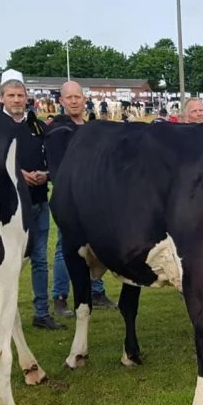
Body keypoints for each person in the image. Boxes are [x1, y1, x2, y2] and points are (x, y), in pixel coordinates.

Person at [45, 80, 115, 316]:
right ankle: (61, 297)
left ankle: (96, 291)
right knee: (65, 247)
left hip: (95, 198)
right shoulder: (56, 130)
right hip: (70, 199)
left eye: (78, 97)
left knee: (96, 244)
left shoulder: (91, 129)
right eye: (69, 97)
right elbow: (57, 168)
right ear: (61, 101)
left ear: (84, 99)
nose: (74, 101)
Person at [0, 69, 63, 330]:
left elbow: (51, 158)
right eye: (11, 95)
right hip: (8, 206)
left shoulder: (36, 126)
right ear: (2, 98)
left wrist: (45, 174)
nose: (16, 100)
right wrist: (17, 174)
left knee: (39, 258)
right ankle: (5, 314)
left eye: (20, 95)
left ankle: (41, 312)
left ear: (27, 98)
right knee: (9, 260)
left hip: (38, 201)